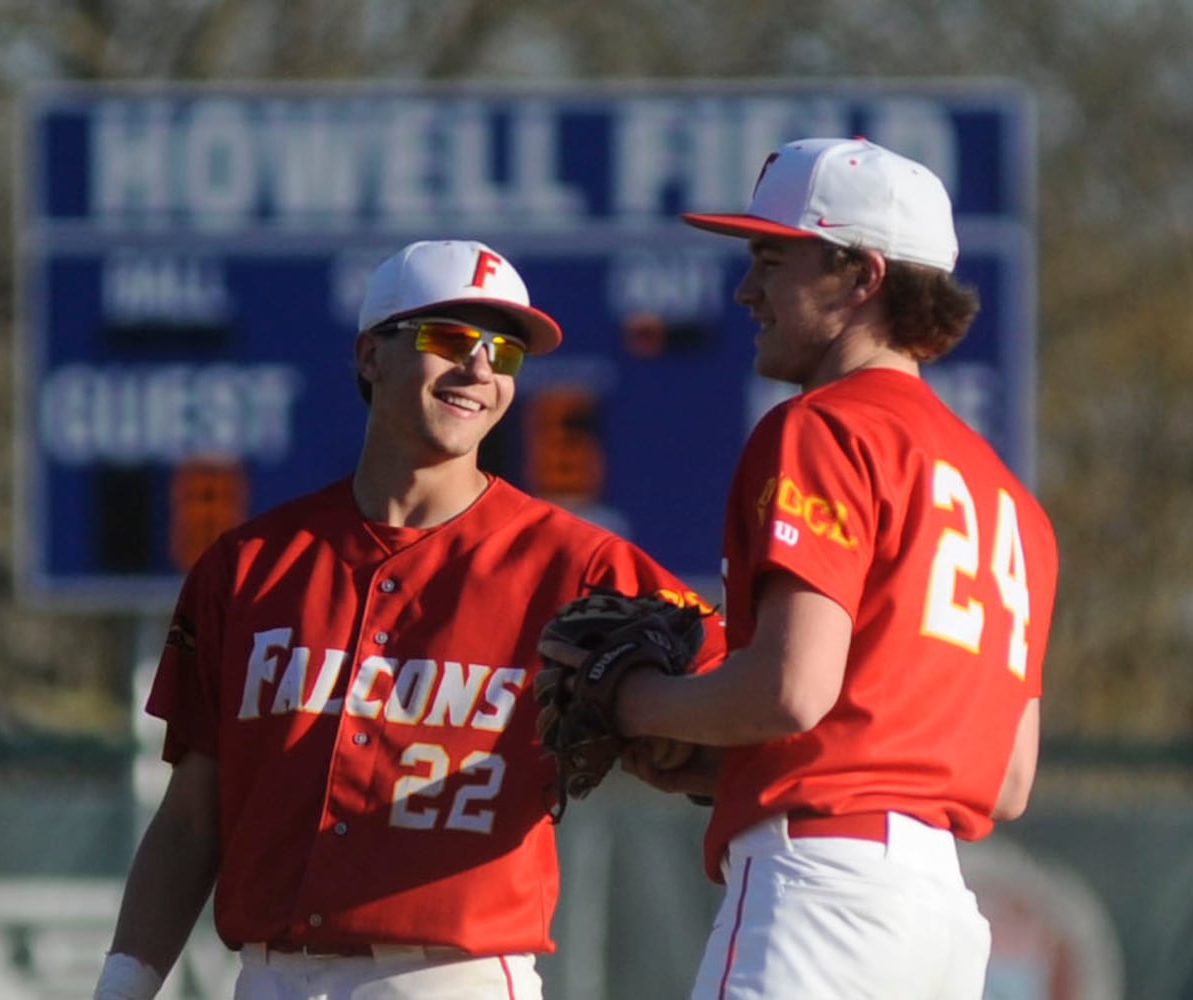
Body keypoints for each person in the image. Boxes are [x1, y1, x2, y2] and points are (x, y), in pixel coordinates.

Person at [92, 238, 723, 1000]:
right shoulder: (247, 565)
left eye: (505, 353)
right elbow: (193, 818)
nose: (480, 370)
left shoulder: (579, 569)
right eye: (449, 339)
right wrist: (124, 985)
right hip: (269, 978)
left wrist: (679, 739)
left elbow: (731, 708)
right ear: (369, 356)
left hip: (449, 976)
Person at [613, 138, 1060, 1000]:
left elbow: (790, 690)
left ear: (859, 275)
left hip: (820, 892)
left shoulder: (824, 427)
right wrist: (725, 761)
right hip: (943, 923)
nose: (745, 290)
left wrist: (632, 702)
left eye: (771, 260)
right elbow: (1005, 780)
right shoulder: (1012, 501)